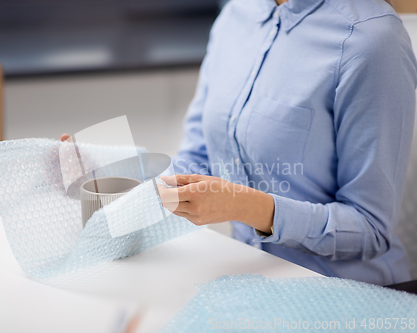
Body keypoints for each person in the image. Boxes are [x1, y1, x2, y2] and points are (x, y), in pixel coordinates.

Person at [62, 0, 416, 285]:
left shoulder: (372, 40)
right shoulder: (235, 14)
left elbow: (371, 229)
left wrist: (249, 208)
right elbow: (199, 158)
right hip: (250, 274)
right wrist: (109, 169)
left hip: (347, 293)